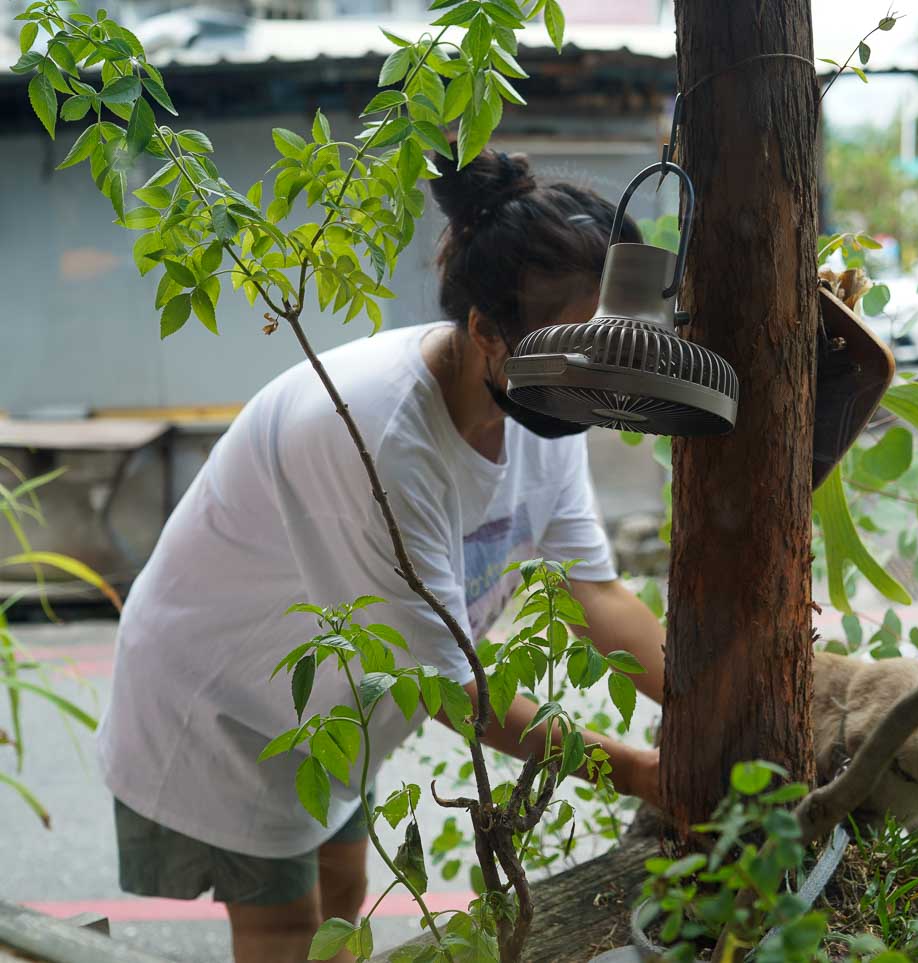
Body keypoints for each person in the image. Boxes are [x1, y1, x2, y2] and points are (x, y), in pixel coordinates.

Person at [97, 147, 666, 963]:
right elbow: (450, 689)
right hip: (222, 699)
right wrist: (643, 772)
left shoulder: (542, 400)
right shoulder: (384, 436)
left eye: (603, 346)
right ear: (484, 333)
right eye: (573, 349)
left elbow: (595, 593)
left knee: (343, 897)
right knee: (287, 933)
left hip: (328, 703)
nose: (594, 375)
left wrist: (691, 699)